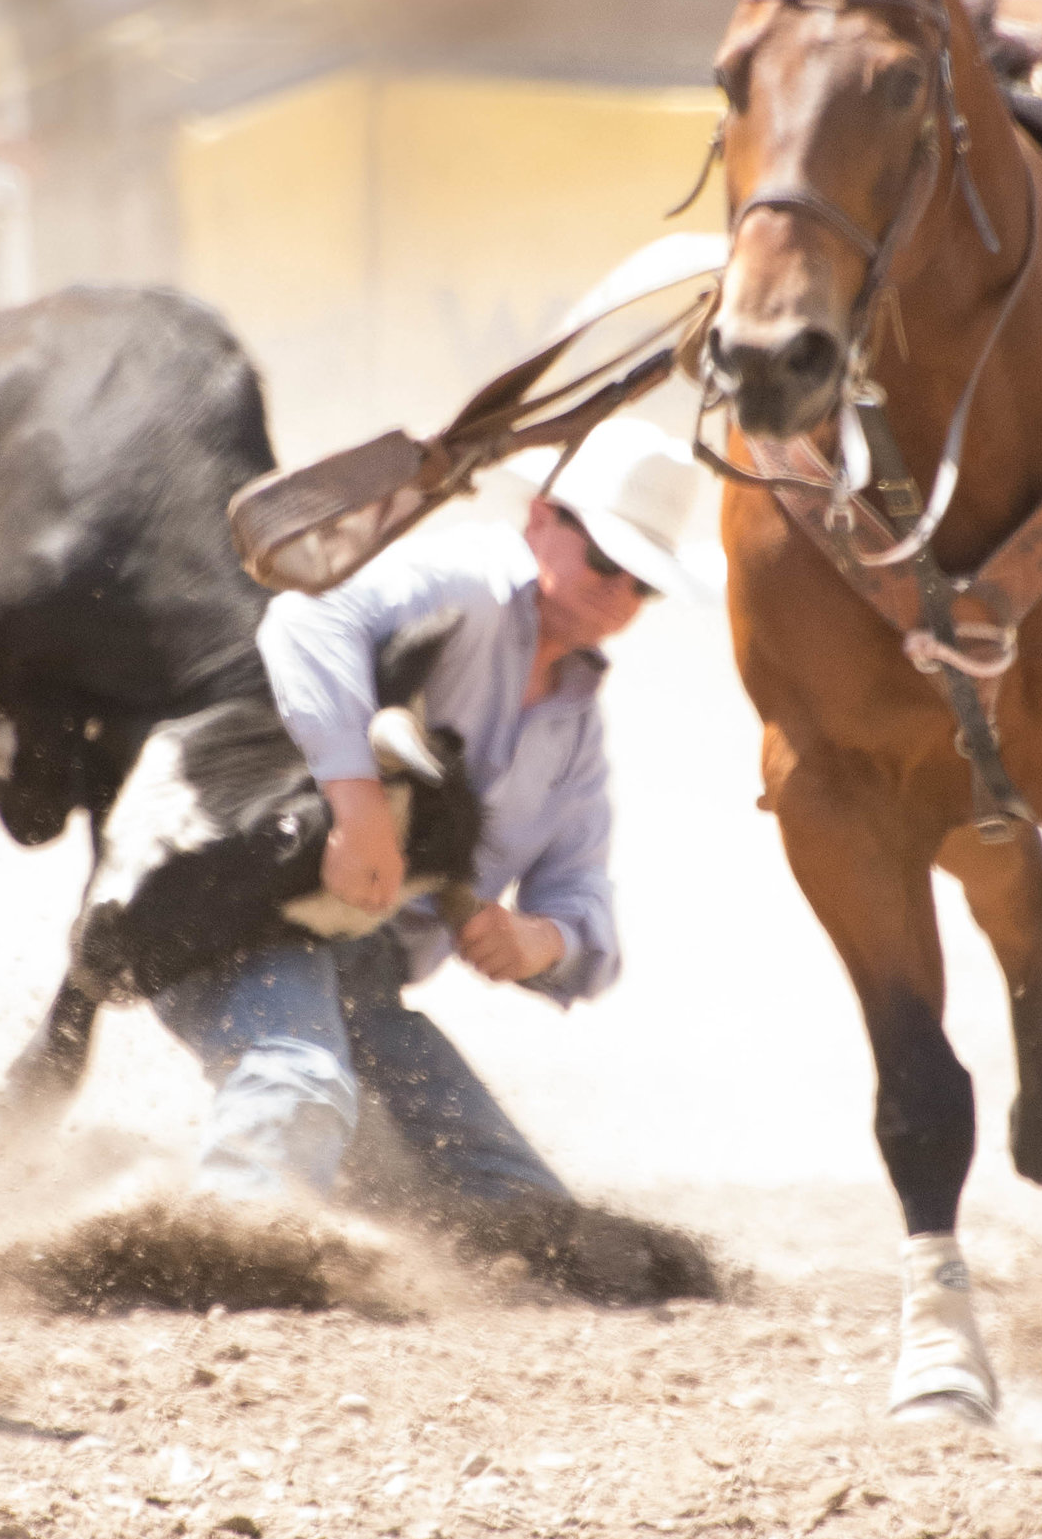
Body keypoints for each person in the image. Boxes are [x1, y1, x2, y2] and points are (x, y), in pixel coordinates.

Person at [151, 418, 722, 1208]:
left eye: (644, 582)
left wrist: (540, 938)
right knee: (297, 1079)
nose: (619, 592)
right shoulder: (469, 583)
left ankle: (302, 1221)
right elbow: (305, 618)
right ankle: (225, 1251)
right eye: (605, 559)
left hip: (366, 977)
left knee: (530, 1211)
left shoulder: (575, 734)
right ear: (541, 519)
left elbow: (583, 903)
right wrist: (358, 810)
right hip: (242, 907)